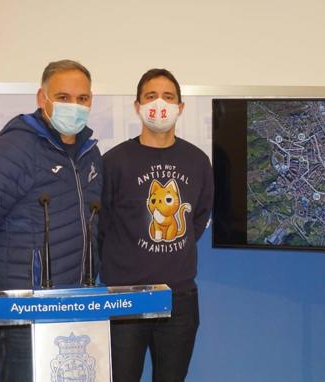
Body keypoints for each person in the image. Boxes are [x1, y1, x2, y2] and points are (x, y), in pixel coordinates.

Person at [0, 59, 102, 381]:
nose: (74, 106)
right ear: (42, 98)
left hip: (75, 304)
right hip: (24, 310)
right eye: (63, 97)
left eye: (82, 99)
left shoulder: (90, 153)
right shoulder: (15, 148)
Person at [99, 68, 214, 382]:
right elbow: (102, 222)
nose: (159, 104)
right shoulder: (114, 162)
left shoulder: (197, 161)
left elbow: (199, 217)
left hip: (178, 299)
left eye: (168, 96)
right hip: (124, 297)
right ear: (137, 106)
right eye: (150, 96)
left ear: (181, 107)